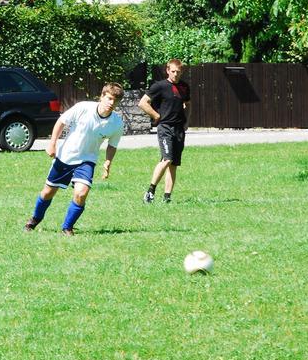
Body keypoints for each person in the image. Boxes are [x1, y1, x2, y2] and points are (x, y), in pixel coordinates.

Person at [24, 82, 125, 236]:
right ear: (102, 96)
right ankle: (35, 219)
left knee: (81, 193)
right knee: (47, 193)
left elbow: (112, 145)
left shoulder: (117, 123)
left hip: (87, 160)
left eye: (115, 101)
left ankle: (67, 228)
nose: (112, 103)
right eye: (109, 98)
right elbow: (61, 122)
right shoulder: (83, 108)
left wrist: (107, 162)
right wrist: (52, 144)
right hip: (66, 156)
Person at [138, 59, 190, 204]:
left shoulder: (184, 86)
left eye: (178, 72)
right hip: (165, 127)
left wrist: (187, 122)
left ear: (181, 71)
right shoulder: (159, 86)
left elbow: (188, 104)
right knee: (167, 159)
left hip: (179, 129)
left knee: (173, 164)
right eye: (173, 71)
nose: (175, 74)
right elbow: (143, 103)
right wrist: (156, 116)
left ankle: (167, 197)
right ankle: (150, 191)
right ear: (167, 70)